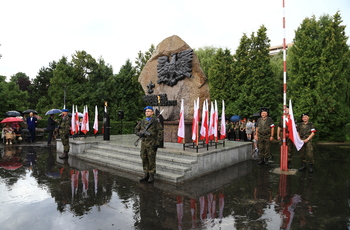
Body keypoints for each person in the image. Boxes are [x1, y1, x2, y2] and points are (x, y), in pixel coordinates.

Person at [134, 106, 163, 183]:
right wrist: (139, 134)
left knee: (151, 159)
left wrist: (157, 144)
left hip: (152, 143)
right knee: (144, 158)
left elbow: (160, 133)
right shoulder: (142, 121)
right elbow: (136, 129)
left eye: (149, 111)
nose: (147, 112)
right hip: (144, 143)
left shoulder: (155, 121)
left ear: (152, 112)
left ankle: (151, 175)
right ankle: (146, 174)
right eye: (146, 111)